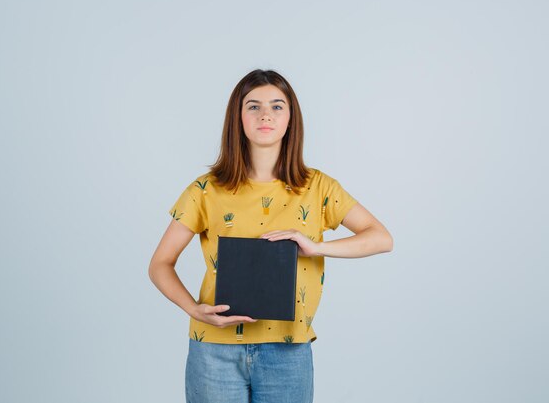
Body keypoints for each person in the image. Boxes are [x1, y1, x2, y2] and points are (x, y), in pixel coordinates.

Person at [148, 69, 393, 403]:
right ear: (238, 117)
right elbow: (160, 263)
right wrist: (193, 309)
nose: (266, 114)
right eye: (253, 106)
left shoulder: (317, 187)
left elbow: (381, 237)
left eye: (277, 106)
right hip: (214, 350)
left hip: (288, 350)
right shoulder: (205, 190)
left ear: (291, 118)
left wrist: (316, 247)